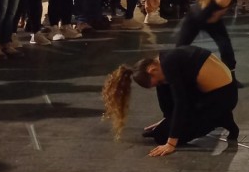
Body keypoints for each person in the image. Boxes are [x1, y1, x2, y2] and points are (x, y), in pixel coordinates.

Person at [101, 44, 239, 156]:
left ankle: (222, 118)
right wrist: (167, 119)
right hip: (209, 94)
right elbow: (176, 95)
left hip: (222, 99)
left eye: (157, 82)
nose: (160, 84)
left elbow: (181, 103)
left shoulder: (169, 64)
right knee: (161, 126)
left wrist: (171, 144)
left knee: (162, 136)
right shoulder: (164, 59)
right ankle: (219, 117)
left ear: (152, 69)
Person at [176, 0, 238, 77]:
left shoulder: (230, 0)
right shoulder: (204, 8)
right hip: (193, 22)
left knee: (226, 46)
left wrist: (216, 17)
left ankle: (230, 76)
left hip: (214, 21)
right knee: (181, 46)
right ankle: (175, 71)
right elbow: (198, 18)